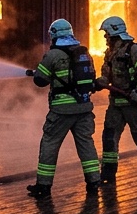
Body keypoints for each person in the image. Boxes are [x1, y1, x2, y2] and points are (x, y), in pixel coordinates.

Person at [26, 18, 101, 198]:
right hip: (84, 107)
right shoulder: (85, 54)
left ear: (54, 36)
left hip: (62, 110)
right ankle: (93, 182)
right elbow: (92, 78)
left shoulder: (52, 56)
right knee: (86, 144)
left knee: (50, 144)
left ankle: (43, 187)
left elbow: (40, 81)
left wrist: (41, 73)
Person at [95, 16, 137, 186]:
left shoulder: (134, 50)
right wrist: (101, 81)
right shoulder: (110, 53)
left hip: (133, 104)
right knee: (109, 137)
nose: (105, 38)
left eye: (107, 34)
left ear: (114, 32)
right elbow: (106, 74)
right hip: (116, 104)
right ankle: (108, 174)